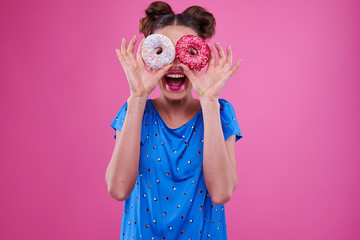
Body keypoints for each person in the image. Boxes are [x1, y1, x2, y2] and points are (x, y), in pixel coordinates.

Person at [105, 1, 243, 239]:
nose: (176, 63)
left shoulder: (220, 112)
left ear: (202, 58)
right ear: (150, 58)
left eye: (188, 53)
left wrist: (209, 101)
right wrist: (137, 97)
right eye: (163, 52)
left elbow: (221, 193)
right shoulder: (133, 112)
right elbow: (118, 189)